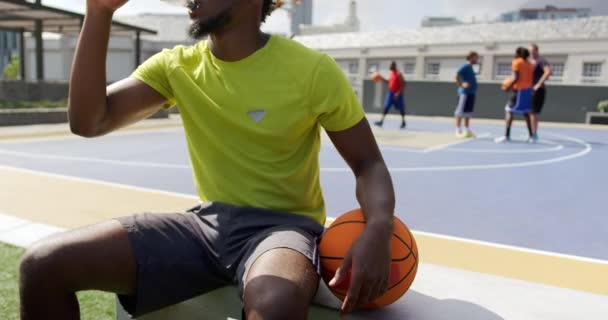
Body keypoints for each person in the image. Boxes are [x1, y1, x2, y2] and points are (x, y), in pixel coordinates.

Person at [18, 1, 396, 320]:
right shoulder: (175, 66)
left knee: (275, 303)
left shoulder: (312, 70)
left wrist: (378, 229)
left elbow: (368, 163)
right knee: (43, 265)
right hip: (206, 225)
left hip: (283, 229)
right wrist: (98, 11)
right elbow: (88, 121)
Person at [495, 47, 535, 143]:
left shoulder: (517, 62)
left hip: (519, 90)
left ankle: (506, 135)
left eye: (515, 52)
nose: (514, 54)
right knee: (526, 113)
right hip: (528, 90)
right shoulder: (530, 64)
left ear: (518, 53)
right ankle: (531, 136)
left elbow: (516, 77)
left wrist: (508, 86)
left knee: (508, 110)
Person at [374, 61, 407, 129]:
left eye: (390, 65)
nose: (389, 67)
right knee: (386, 107)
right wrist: (381, 78)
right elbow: (389, 81)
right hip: (390, 93)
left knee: (401, 108)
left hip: (397, 93)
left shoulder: (398, 74)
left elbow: (403, 84)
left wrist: (398, 93)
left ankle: (403, 122)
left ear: (394, 66)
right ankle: (381, 121)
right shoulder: (392, 73)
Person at [529, 43, 552, 142]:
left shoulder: (541, 61)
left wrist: (538, 84)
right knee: (529, 112)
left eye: (533, 51)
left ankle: (534, 134)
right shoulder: (529, 61)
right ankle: (531, 133)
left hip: (538, 90)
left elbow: (548, 72)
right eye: (530, 52)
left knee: (534, 113)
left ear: (536, 51)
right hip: (528, 89)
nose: (531, 53)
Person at [454, 51, 479, 138]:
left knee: (468, 113)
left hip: (471, 93)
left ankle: (467, 130)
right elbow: (456, 75)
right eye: (476, 57)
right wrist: (461, 85)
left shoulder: (471, 67)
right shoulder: (465, 66)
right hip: (464, 94)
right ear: (471, 57)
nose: (477, 59)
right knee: (459, 112)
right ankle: (458, 130)